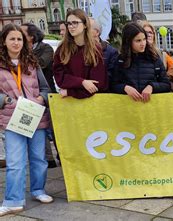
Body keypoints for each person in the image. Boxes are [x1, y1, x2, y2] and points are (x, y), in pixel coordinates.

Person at [0, 23, 53, 216]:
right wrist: (4, 99)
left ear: (24, 42)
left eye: (19, 39)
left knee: (39, 159)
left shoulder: (32, 63)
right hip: (12, 119)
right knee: (15, 162)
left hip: (35, 116)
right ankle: (14, 200)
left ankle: (38, 190)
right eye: (12, 39)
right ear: (4, 42)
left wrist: (41, 99)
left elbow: (47, 89)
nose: (16, 42)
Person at [20, 23, 58, 168]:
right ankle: (49, 160)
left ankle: (62, 155)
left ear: (31, 36)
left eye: (22, 33)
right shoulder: (20, 52)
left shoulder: (45, 48)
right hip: (29, 97)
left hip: (47, 93)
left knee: (55, 128)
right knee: (38, 128)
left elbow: (41, 63)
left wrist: (26, 57)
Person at [53, 9, 107, 99]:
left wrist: (70, 92)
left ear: (85, 25)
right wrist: (82, 82)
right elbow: (60, 78)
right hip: (68, 102)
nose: (71, 26)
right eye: (69, 23)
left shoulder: (95, 49)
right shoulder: (62, 49)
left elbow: (97, 85)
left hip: (90, 103)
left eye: (75, 23)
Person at [110, 22, 170, 100]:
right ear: (128, 42)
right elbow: (112, 85)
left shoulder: (154, 57)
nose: (143, 43)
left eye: (144, 39)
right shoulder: (120, 60)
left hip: (152, 108)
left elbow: (166, 84)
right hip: (127, 108)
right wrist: (125, 88)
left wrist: (152, 87)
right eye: (138, 41)